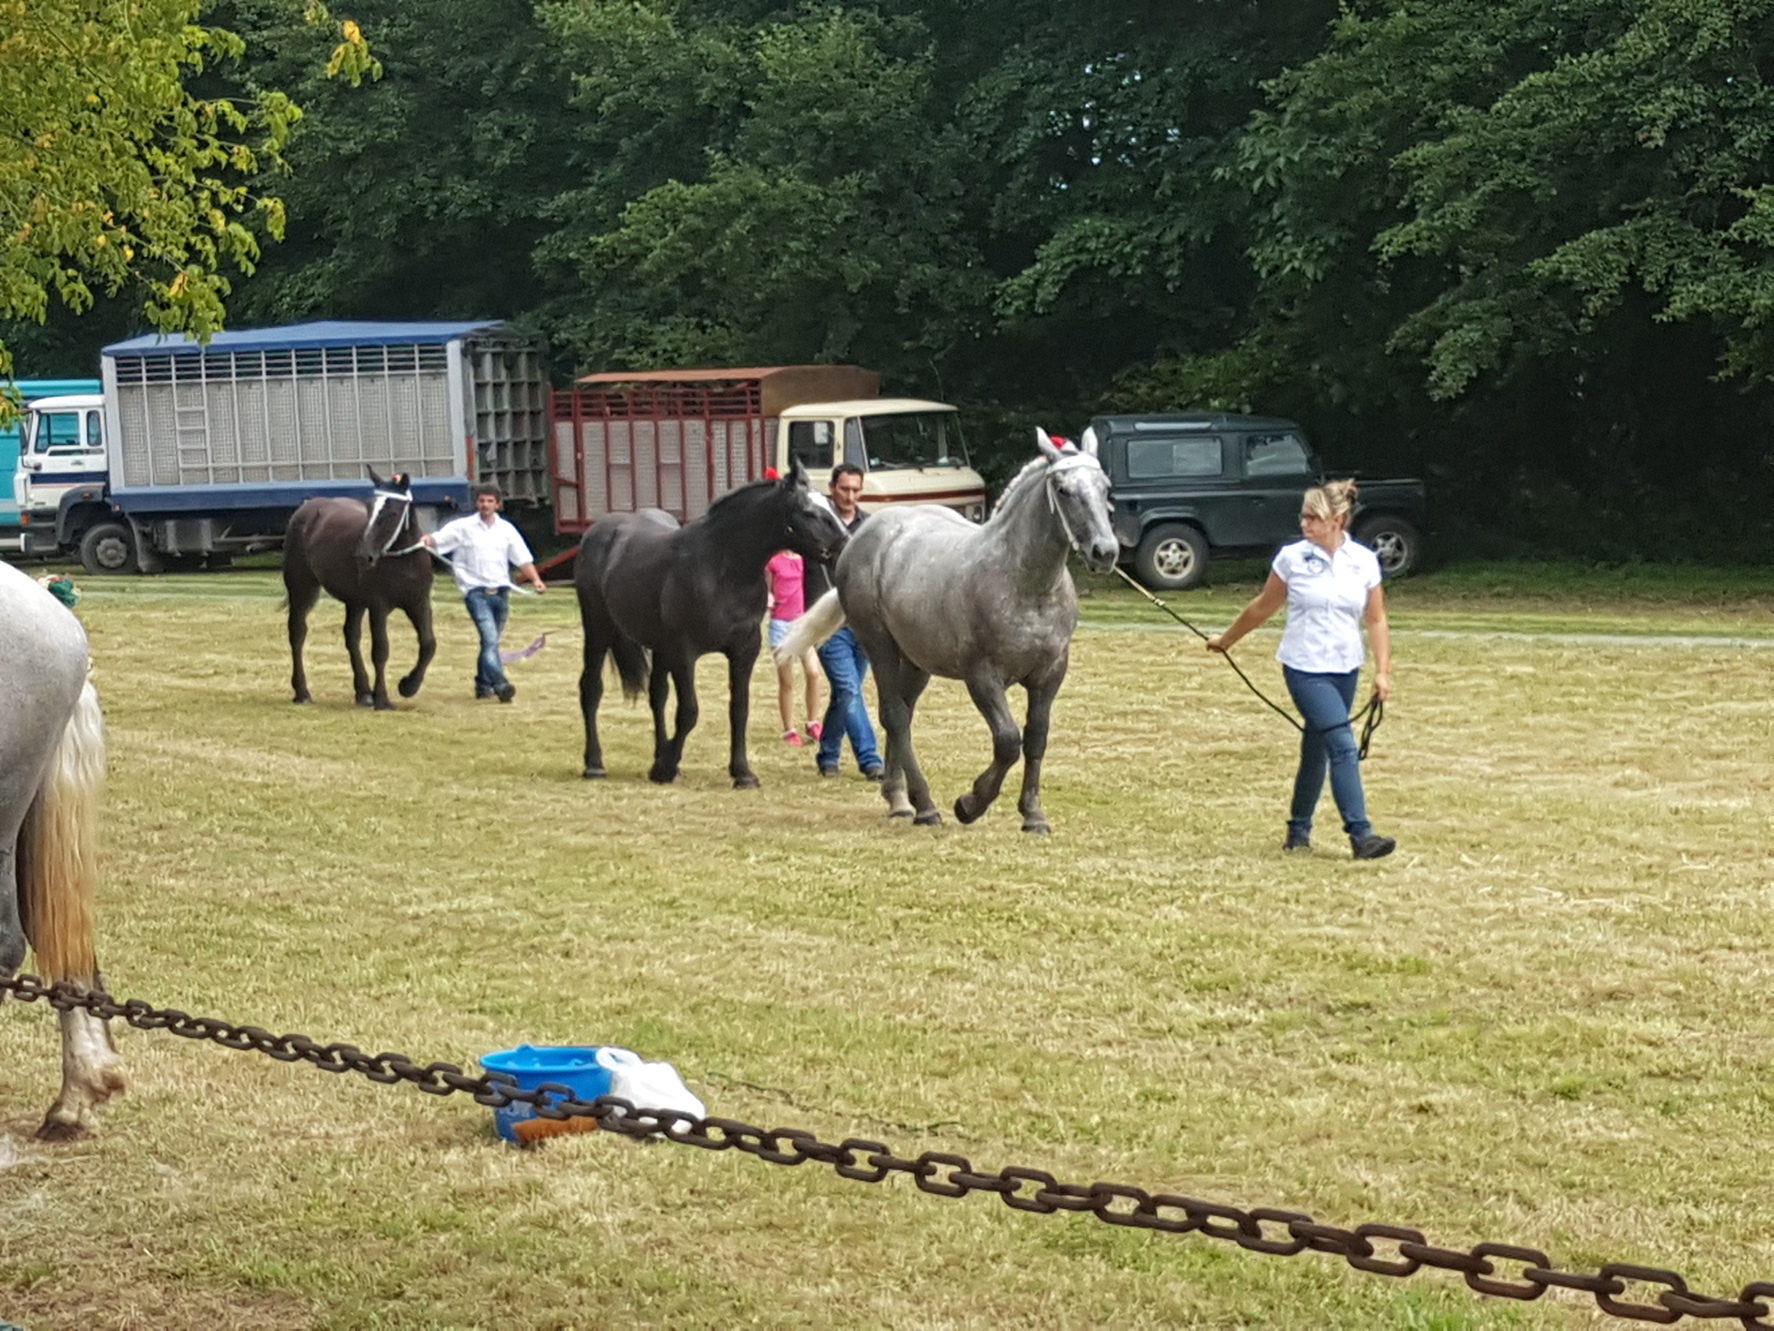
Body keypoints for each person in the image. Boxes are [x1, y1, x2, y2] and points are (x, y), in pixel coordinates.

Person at [1206, 479, 1396, 859]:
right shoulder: (1292, 558)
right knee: (1342, 744)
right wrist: (1226, 640)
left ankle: (1298, 830)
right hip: (1304, 667)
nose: (1305, 524)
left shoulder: (1363, 561)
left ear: (1338, 520)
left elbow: (1376, 619)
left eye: (1314, 518)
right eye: (1304, 516)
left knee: (1317, 747)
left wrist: (1382, 671)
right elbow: (1264, 606)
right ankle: (1361, 835)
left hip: (1345, 667)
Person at [422, 482, 546, 702]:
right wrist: (426, 539)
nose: (485, 505)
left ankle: (482, 685)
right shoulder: (462, 527)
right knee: (490, 640)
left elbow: (522, 558)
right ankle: (501, 684)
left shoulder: (506, 530)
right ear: (476, 503)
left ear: (497, 504)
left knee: (490, 642)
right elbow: (438, 540)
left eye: (490, 501)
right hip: (475, 593)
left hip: (500, 593)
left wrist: (536, 580)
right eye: (481, 501)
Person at [806, 463, 883, 779]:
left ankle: (827, 755)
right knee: (849, 689)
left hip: (864, 623)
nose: (850, 496)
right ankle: (871, 760)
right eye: (844, 489)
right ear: (832, 488)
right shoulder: (817, 525)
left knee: (845, 692)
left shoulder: (870, 527)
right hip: (829, 623)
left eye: (856, 490)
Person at [765, 547, 825, 746]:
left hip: (801, 623)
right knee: (787, 680)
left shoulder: (804, 560)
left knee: (814, 673)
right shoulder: (774, 561)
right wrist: (769, 597)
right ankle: (789, 729)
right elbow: (767, 587)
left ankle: (813, 721)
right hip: (780, 625)